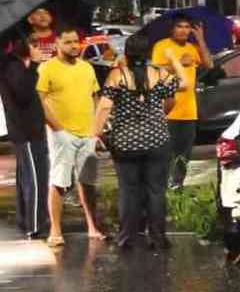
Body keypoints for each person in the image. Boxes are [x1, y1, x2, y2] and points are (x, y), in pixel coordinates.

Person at [94, 35, 190, 250]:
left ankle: (127, 238)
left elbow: (104, 107)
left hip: (125, 143)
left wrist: (95, 134)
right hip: (157, 141)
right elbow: (185, 84)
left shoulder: (117, 76)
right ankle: (158, 238)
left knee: (128, 191)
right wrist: (173, 60)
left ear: (126, 53)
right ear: (147, 55)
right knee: (156, 191)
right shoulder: (159, 74)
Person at [37, 25, 105, 247]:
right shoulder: (47, 68)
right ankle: (55, 230)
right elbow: (39, 101)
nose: (74, 46)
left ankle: (92, 227)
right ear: (57, 44)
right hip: (62, 135)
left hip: (87, 133)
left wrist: (97, 129)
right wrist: (57, 128)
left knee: (88, 182)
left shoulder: (86, 68)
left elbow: (95, 98)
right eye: (68, 42)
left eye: (76, 41)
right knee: (58, 183)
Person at [151, 15, 213, 189]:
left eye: (187, 27)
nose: (184, 30)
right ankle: (161, 188)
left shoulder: (192, 48)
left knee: (184, 154)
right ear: (172, 29)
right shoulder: (162, 46)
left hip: (189, 111)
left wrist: (200, 39)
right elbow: (155, 71)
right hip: (167, 110)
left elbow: (209, 64)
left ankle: (177, 186)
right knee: (166, 153)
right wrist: (179, 62)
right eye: (180, 26)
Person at [0, 37, 49, 239]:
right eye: (34, 45)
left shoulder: (12, 65)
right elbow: (24, 94)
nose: (38, 49)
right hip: (27, 132)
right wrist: (35, 65)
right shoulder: (13, 67)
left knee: (26, 178)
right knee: (35, 179)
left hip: (27, 131)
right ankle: (34, 225)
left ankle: (25, 220)